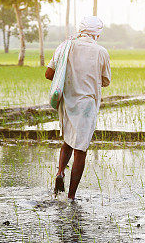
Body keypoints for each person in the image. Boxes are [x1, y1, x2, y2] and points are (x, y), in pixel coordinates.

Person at [45, 15, 111, 201]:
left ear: (80, 29)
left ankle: (60, 173)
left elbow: (49, 73)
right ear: (97, 33)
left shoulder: (64, 47)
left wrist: (68, 76)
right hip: (86, 105)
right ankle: (72, 196)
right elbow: (105, 81)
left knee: (68, 140)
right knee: (80, 149)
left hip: (67, 101)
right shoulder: (101, 52)